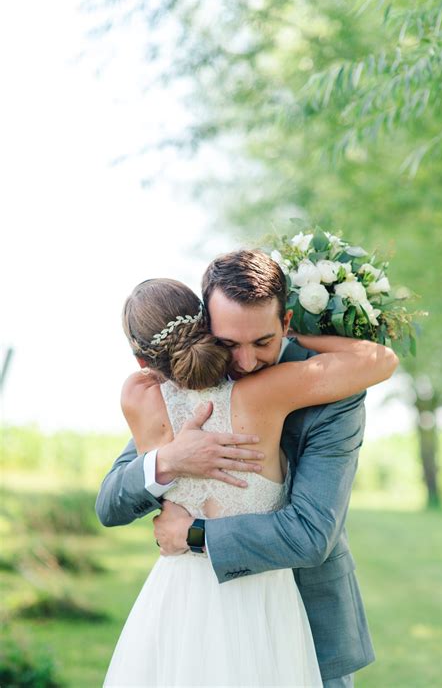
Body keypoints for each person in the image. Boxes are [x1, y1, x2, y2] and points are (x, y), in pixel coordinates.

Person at [97, 250, 398, 687]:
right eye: (227, 343)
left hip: (307, 617)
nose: (243, 362)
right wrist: (168, 461)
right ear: (204, 328)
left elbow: (311, 534)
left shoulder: (335, 392)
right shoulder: (181, 388)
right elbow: (110, 502)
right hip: (188, 614)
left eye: (263, 342)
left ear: (287, 322)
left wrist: (192, 533)